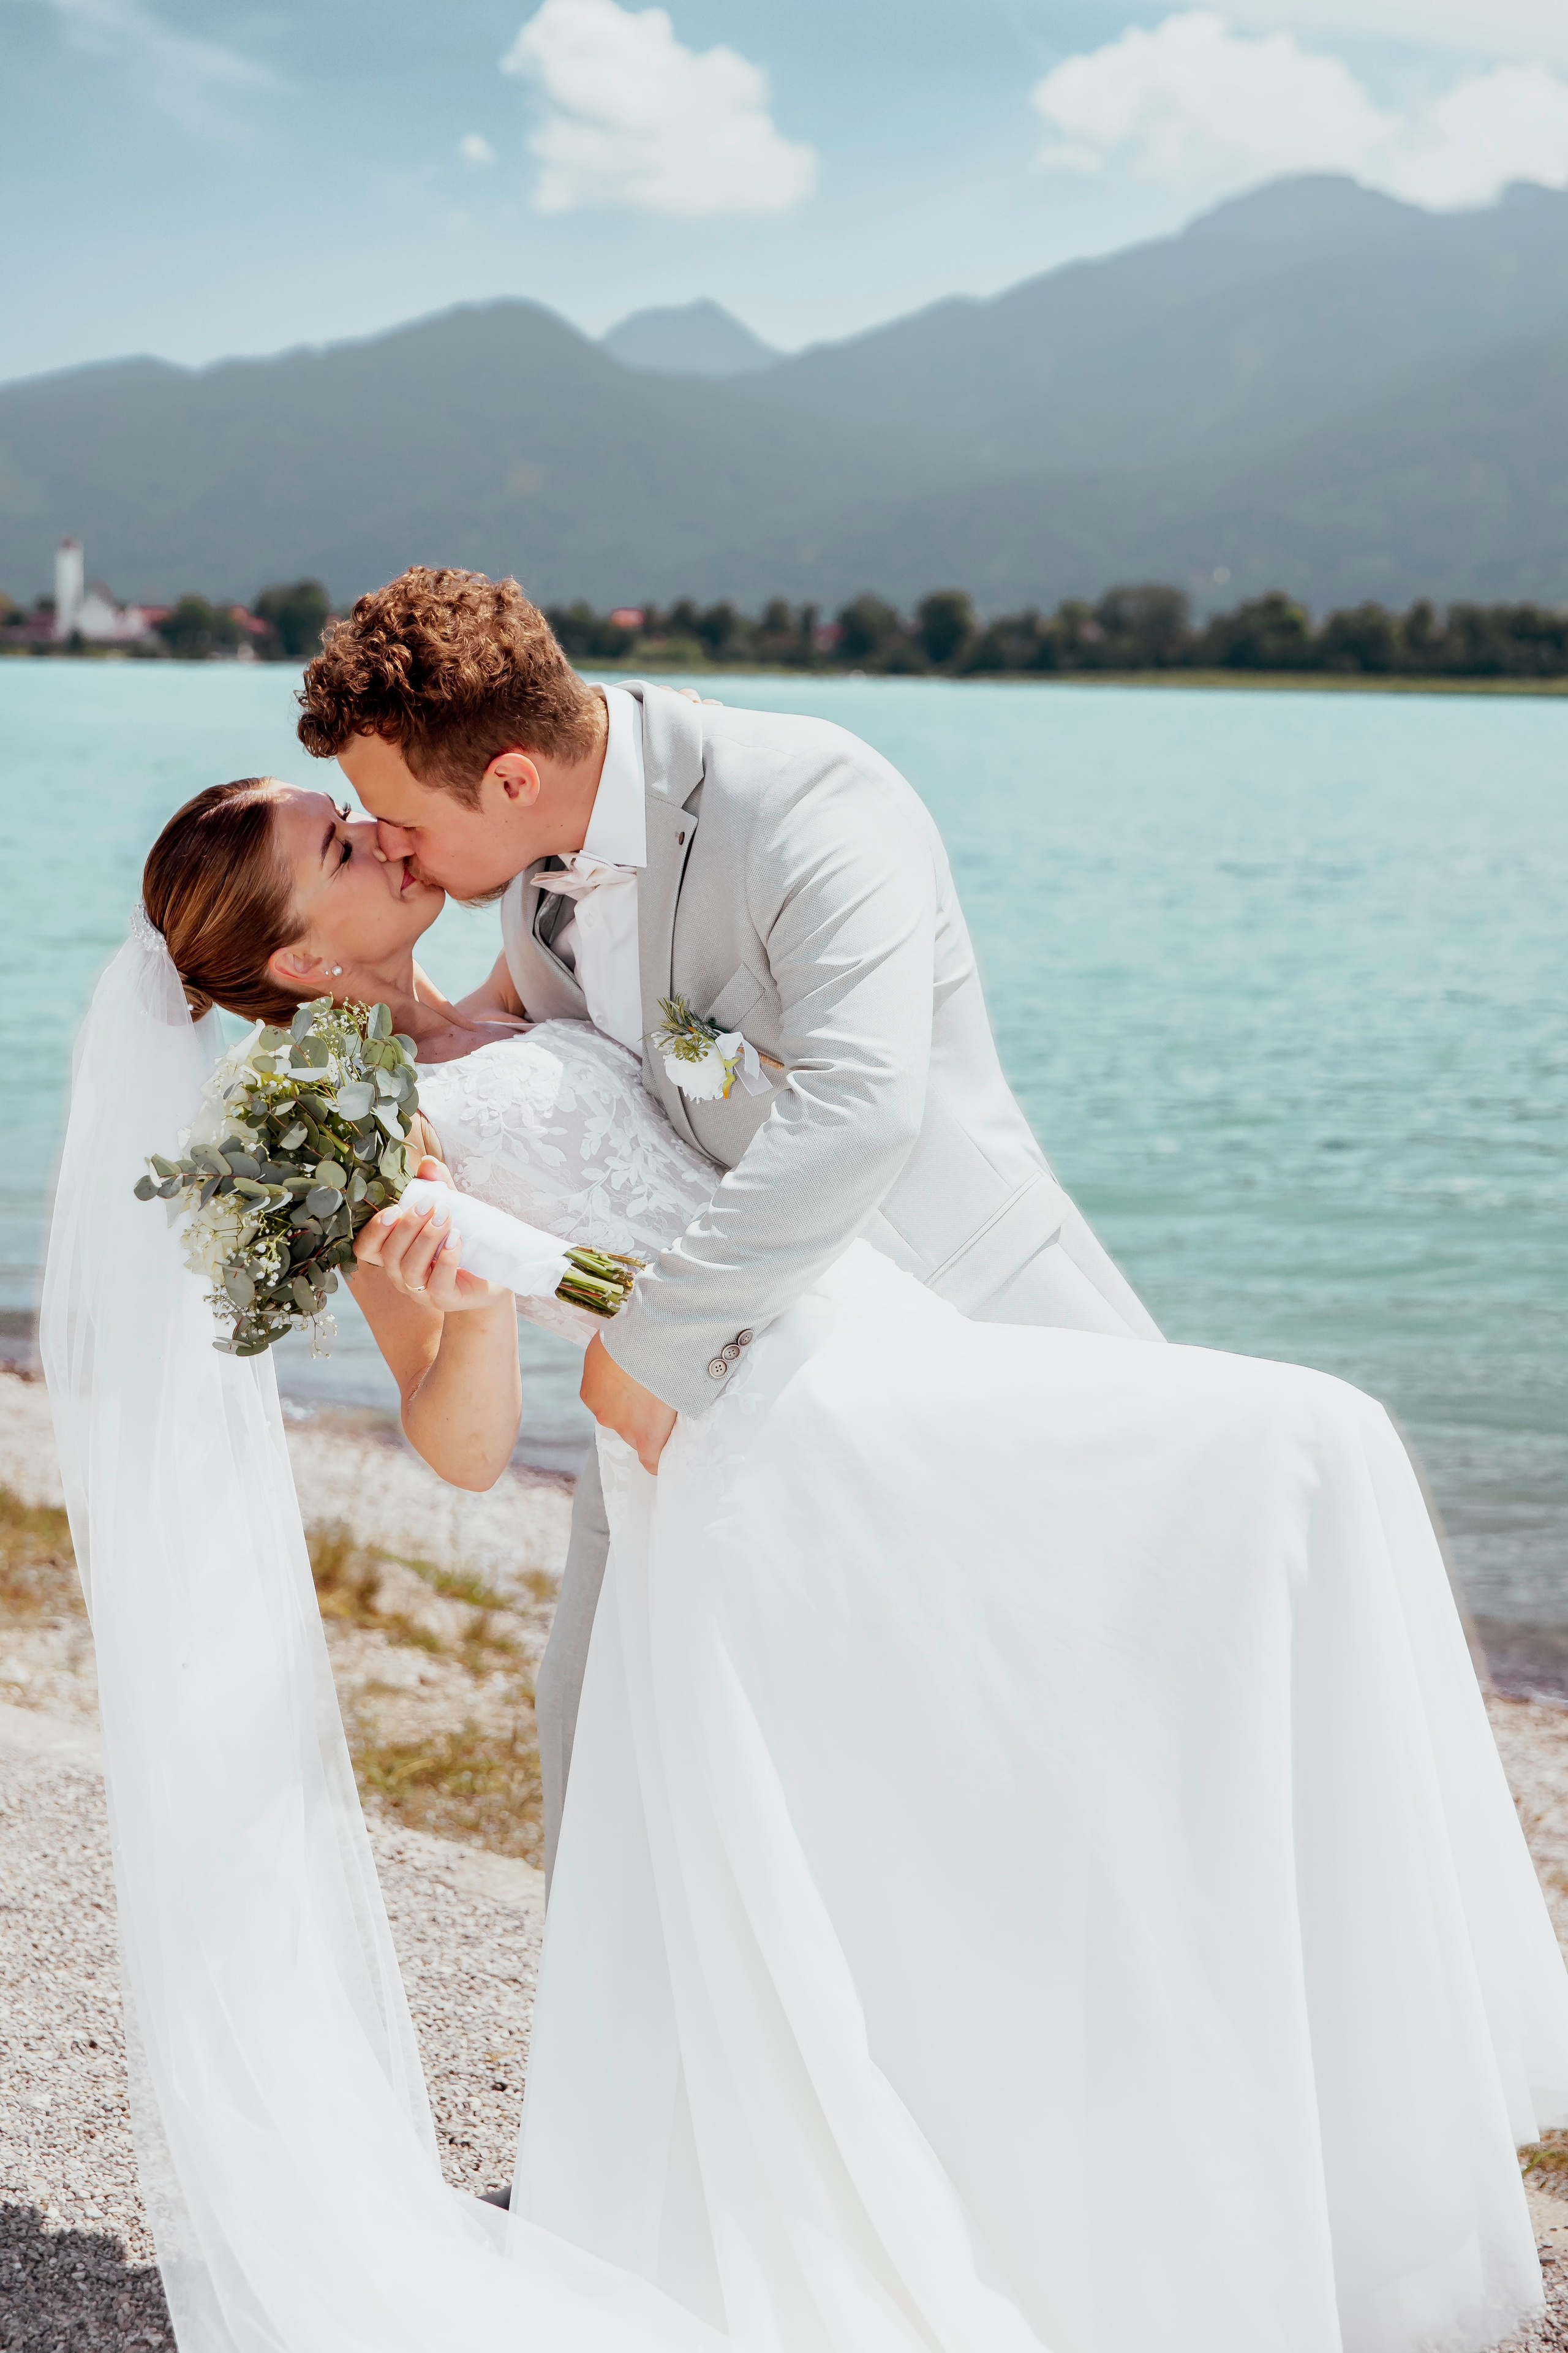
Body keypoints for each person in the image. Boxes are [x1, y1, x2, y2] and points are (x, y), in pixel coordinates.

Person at [68, 722, 1568, 2350]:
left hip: (878, 1340)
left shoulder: (507, 971)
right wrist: (475, 1297)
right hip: (762, 1454)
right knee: (1298, 1456)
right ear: (300, 952)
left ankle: (1291, 2121)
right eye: (342, 846)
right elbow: (466, 1446)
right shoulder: (359, 1134)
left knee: (1216, 1573)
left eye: (359, 809)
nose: (377, 831)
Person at [291, 567, 1162, 1876]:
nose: (390, 842)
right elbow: (537, 1052)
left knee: (1055, 1749)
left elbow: (861, 1109)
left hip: (956, 1330)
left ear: (512, 776)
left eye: (399, 816)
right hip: (708, 1393)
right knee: (602, 1734)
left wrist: (646, 1349)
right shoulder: (528, 873)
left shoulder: (810, 799)